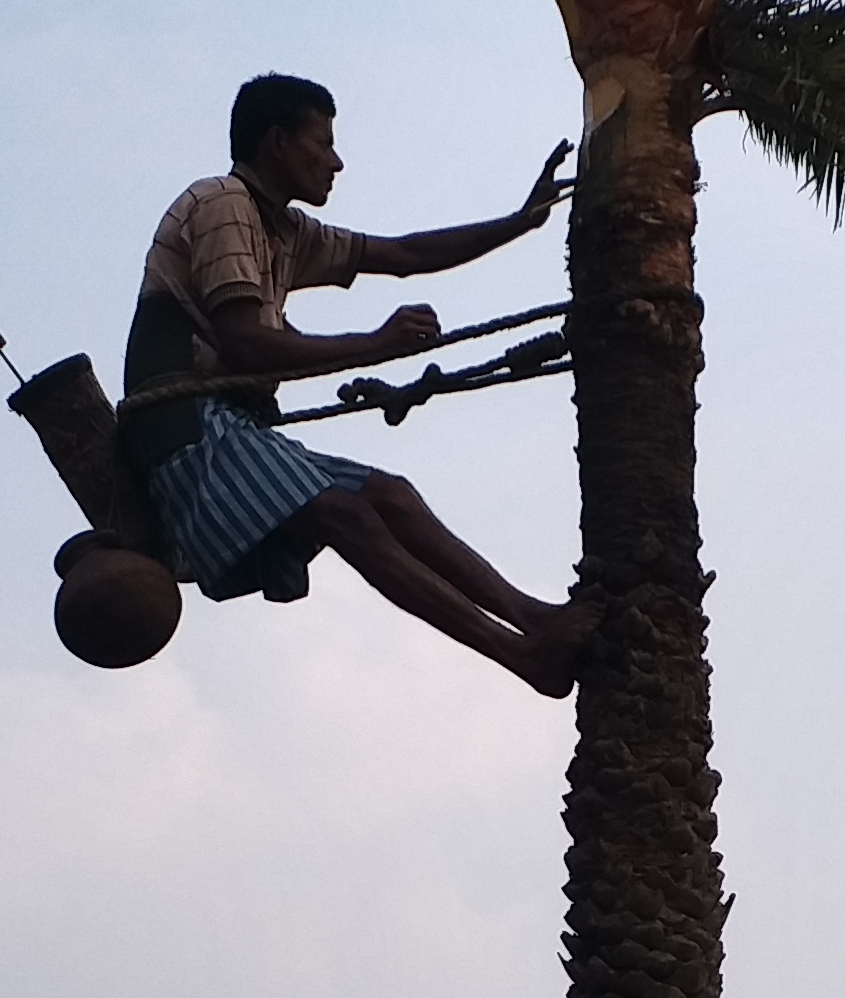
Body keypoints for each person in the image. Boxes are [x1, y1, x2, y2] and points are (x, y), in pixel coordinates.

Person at [121, 73, 586, 694]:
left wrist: (520, 221)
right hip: (187, 432)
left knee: (390, 496)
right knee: (346, 517)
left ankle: (535, 621)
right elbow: (244, 343)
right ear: (278, 142)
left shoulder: (286, 231)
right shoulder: (221, 204)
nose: (336, 162)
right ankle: (525, 658)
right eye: (324, 143)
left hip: (231, 426)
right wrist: (377, 344)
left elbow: (403, 254)